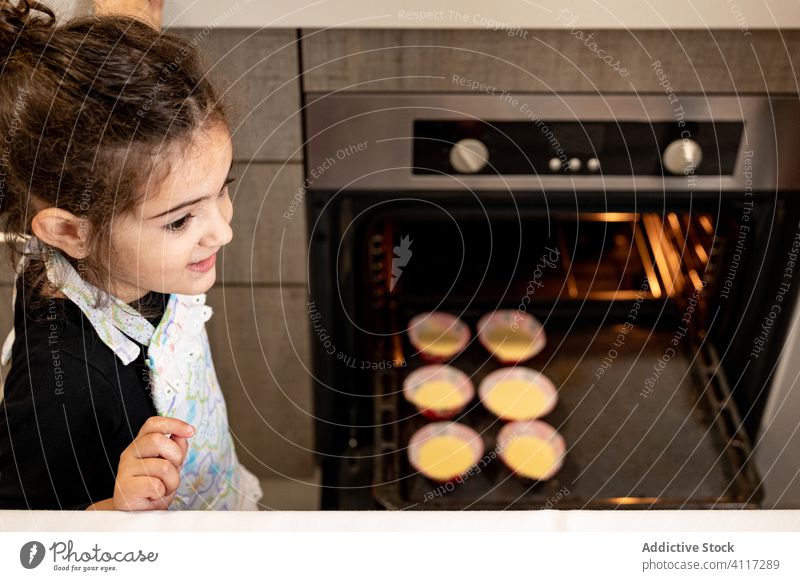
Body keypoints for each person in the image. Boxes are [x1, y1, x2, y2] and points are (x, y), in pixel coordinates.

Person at [0, 0, 263, 510]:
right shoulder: (61, 386)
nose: (222, 232)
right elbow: (19, 542)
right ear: (68, 232)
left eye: (222, 189)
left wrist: (135, 31)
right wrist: (112, 513)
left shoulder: (102, 217)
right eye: (181, 219)